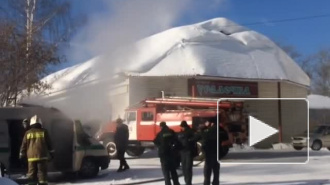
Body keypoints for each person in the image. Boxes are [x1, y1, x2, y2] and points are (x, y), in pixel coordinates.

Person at [19, 115, 54, 185]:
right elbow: (49, 144)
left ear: (31, 123)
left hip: (31, 157)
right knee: (42, 174)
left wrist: (21, 155)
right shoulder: (44, 131)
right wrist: (52, 154)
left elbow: (23, 145)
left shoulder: (27, 133)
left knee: (31, 175)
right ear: (40, 123)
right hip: (42, 156)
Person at [197, 117, 228, 185]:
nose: (206, 123)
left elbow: (203, 137)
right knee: (216, 170)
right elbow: (226, 138)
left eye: (207, 122)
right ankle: (215, 183)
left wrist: (202, 130)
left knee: (207, 171)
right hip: (217, 152)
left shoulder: (208, 130)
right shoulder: (221, 129)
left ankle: (206, 183)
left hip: (209, 152)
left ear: (211, 123)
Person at [177, 121, 197, 185]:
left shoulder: (190, 132)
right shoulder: (181, 133)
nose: (182, 128)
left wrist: (189, 141)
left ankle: (188, 182)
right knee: (184, 168)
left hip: (189, 151)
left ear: (184, 126)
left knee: (188, 168)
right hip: (182, 152)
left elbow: (195, 138)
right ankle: (186, 181)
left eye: (182, 127)